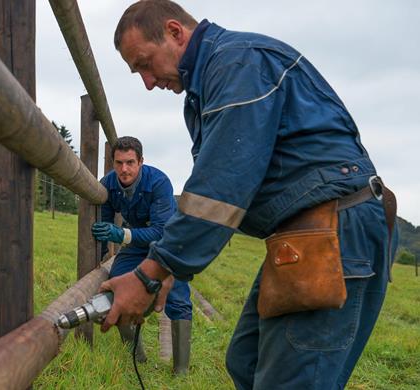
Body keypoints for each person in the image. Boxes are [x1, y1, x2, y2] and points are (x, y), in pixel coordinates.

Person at [99, 1, 398, 389]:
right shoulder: (210, 84)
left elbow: (221, 187)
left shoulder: (238, 65)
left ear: (175, 32)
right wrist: (168, 268)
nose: (148, 82)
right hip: (301, 232)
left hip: (334, 229)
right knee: (246, 360)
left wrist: (153, 271)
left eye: (144, 63)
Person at [92, 136, 193, 374]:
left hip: (170, 242)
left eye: (130, 163)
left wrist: (121, 235)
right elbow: (104, 221)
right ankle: (137, 357)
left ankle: (181, 370)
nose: (124, 169)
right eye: (118, 163)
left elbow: (160, 231)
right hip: (137, 245)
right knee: (116, 283)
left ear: (141, 162)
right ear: (112, 162)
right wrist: (103, 251)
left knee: (177, 295)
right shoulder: (108, 184)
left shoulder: (159, 182)